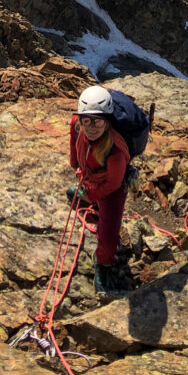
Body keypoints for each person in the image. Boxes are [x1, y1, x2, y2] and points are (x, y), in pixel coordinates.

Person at [68, 85, 130, 295]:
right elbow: (73, 133)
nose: (92, 127)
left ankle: (102, 265)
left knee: (109, 236)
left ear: (108, 121)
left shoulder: (116, 152)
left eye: (98, 121)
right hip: (92, 178)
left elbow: (112, 184)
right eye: (87, 121)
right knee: (91, 194)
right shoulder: (78, 125)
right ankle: (90, 201)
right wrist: (75, 163)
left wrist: (89, 195)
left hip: (113, 189)